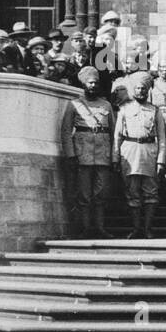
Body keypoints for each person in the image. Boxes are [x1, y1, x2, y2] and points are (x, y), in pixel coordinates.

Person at [62, 66, 116, 237]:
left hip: (103, 154)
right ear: (84, 85)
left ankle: (100, 228)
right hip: (82, 154)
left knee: (102, 193)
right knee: (84, 194)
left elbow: (114, 133)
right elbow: (65, 131)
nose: (93, 86)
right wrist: (71, 155)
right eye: (90, 83)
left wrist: (114, 156)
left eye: (96, 83)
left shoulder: (106, 105)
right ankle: (86, 228)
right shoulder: (74, 104)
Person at [112, 71, 166, 238]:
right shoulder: (124, 109)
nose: (141, 92)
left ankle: (147, 228)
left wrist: (161, 161)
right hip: (129, 152)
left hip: (149, 151)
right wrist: (115, 158)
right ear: (132, 90)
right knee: (132, 192)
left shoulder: (155, 111)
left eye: (144, 89)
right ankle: (136, 228)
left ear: (148, 90)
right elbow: (117, 136)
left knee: (151, 192)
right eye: (137, 88)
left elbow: (162, 138)